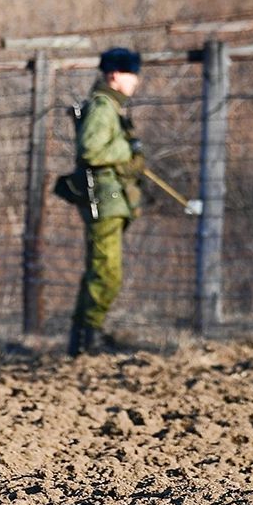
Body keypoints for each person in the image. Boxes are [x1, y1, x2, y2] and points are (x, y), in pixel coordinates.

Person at [67, 47, 145, 356]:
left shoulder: (111, 107)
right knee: (107, 273)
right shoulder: (103, 107)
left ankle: (83, 339)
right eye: (131, 74)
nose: (135, 81)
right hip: (105, 199)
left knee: (99, 271)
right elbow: (90, 150)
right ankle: (90, 339)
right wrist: (128, 151)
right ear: (114, 75)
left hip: (113, 200)